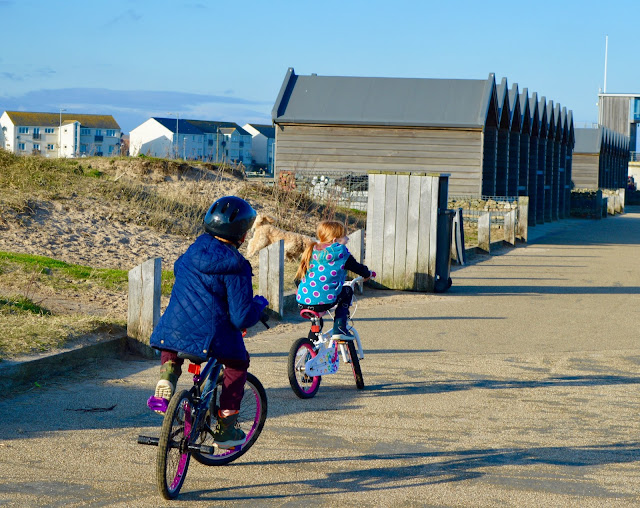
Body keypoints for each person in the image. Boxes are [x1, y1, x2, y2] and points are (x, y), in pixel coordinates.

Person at [148, 196, 268, 448]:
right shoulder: (236, 265)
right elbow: (241, 317)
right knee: (237, 363)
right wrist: (259, 305)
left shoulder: (193, 250)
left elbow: (178, 269)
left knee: (172, 341)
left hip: (173, 325)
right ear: (243, 236)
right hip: (212, 335)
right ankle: (226, 427)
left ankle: (167, 378)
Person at [295, 220, 373, 337]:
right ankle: (340, 327)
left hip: (302, 300)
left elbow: (299, 277)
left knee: (316, 319)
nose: (348, 239)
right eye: (344, 237)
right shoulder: (340, 252)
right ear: (334, 240)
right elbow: (357, 267)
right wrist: (368, 274)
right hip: (324, 300)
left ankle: (312, 343)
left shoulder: (312, 249)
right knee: (347, 291)